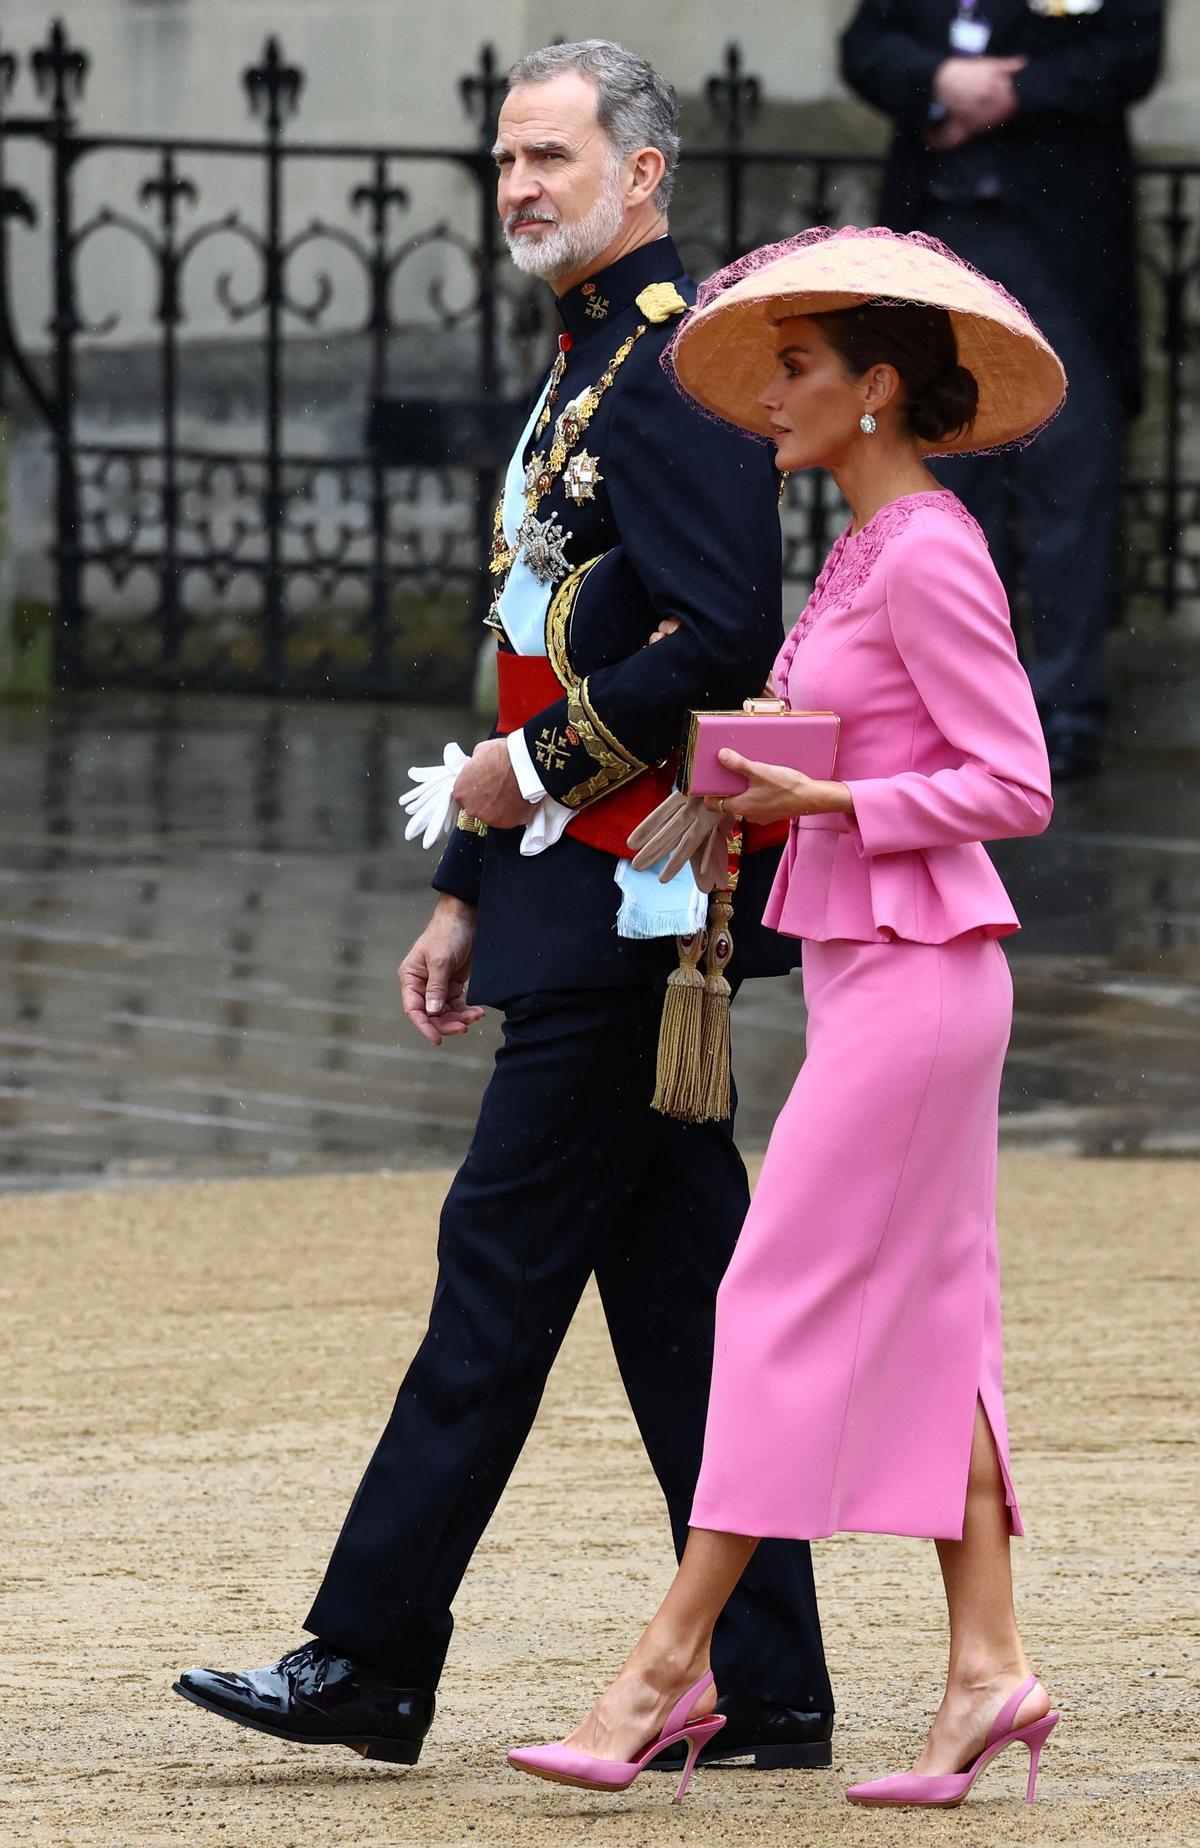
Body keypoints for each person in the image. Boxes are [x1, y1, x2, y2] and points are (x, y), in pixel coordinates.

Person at [172, 40, 834, 1773]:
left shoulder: (682, 367)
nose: (522, 185)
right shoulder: (591, 362)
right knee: (686, 1312)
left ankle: (369, 1651)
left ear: (646, 175)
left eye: (552, 155)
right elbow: (542, 625)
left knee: (496, 1274)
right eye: (506, 159)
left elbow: (720, 636)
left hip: (637, 897)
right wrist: (467, 880)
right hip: (567, 896)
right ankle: (772, 1685)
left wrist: (529, 778)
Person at [506, 223, 1065, 1809]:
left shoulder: (930, 548)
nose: (776, 394)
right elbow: (885, 744)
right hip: (882, 969)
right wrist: (779, 787)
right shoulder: (867, 547)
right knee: (940, 1324)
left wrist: (836, 791)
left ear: (878, 390)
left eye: (803, 369)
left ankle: (666, 1670)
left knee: (767, 1304)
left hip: (922, 975)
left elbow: (1013, 781)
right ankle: (984, 1671)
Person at [840, 0, 1164, 780]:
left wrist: (1014, 93)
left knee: (1070, 476)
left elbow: (1129, 57)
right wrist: (941, 79)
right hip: (937, 243)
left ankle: (1065, 710)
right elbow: (867, 48)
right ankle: (950, 708)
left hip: (1061, 249)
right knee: (940, 483)